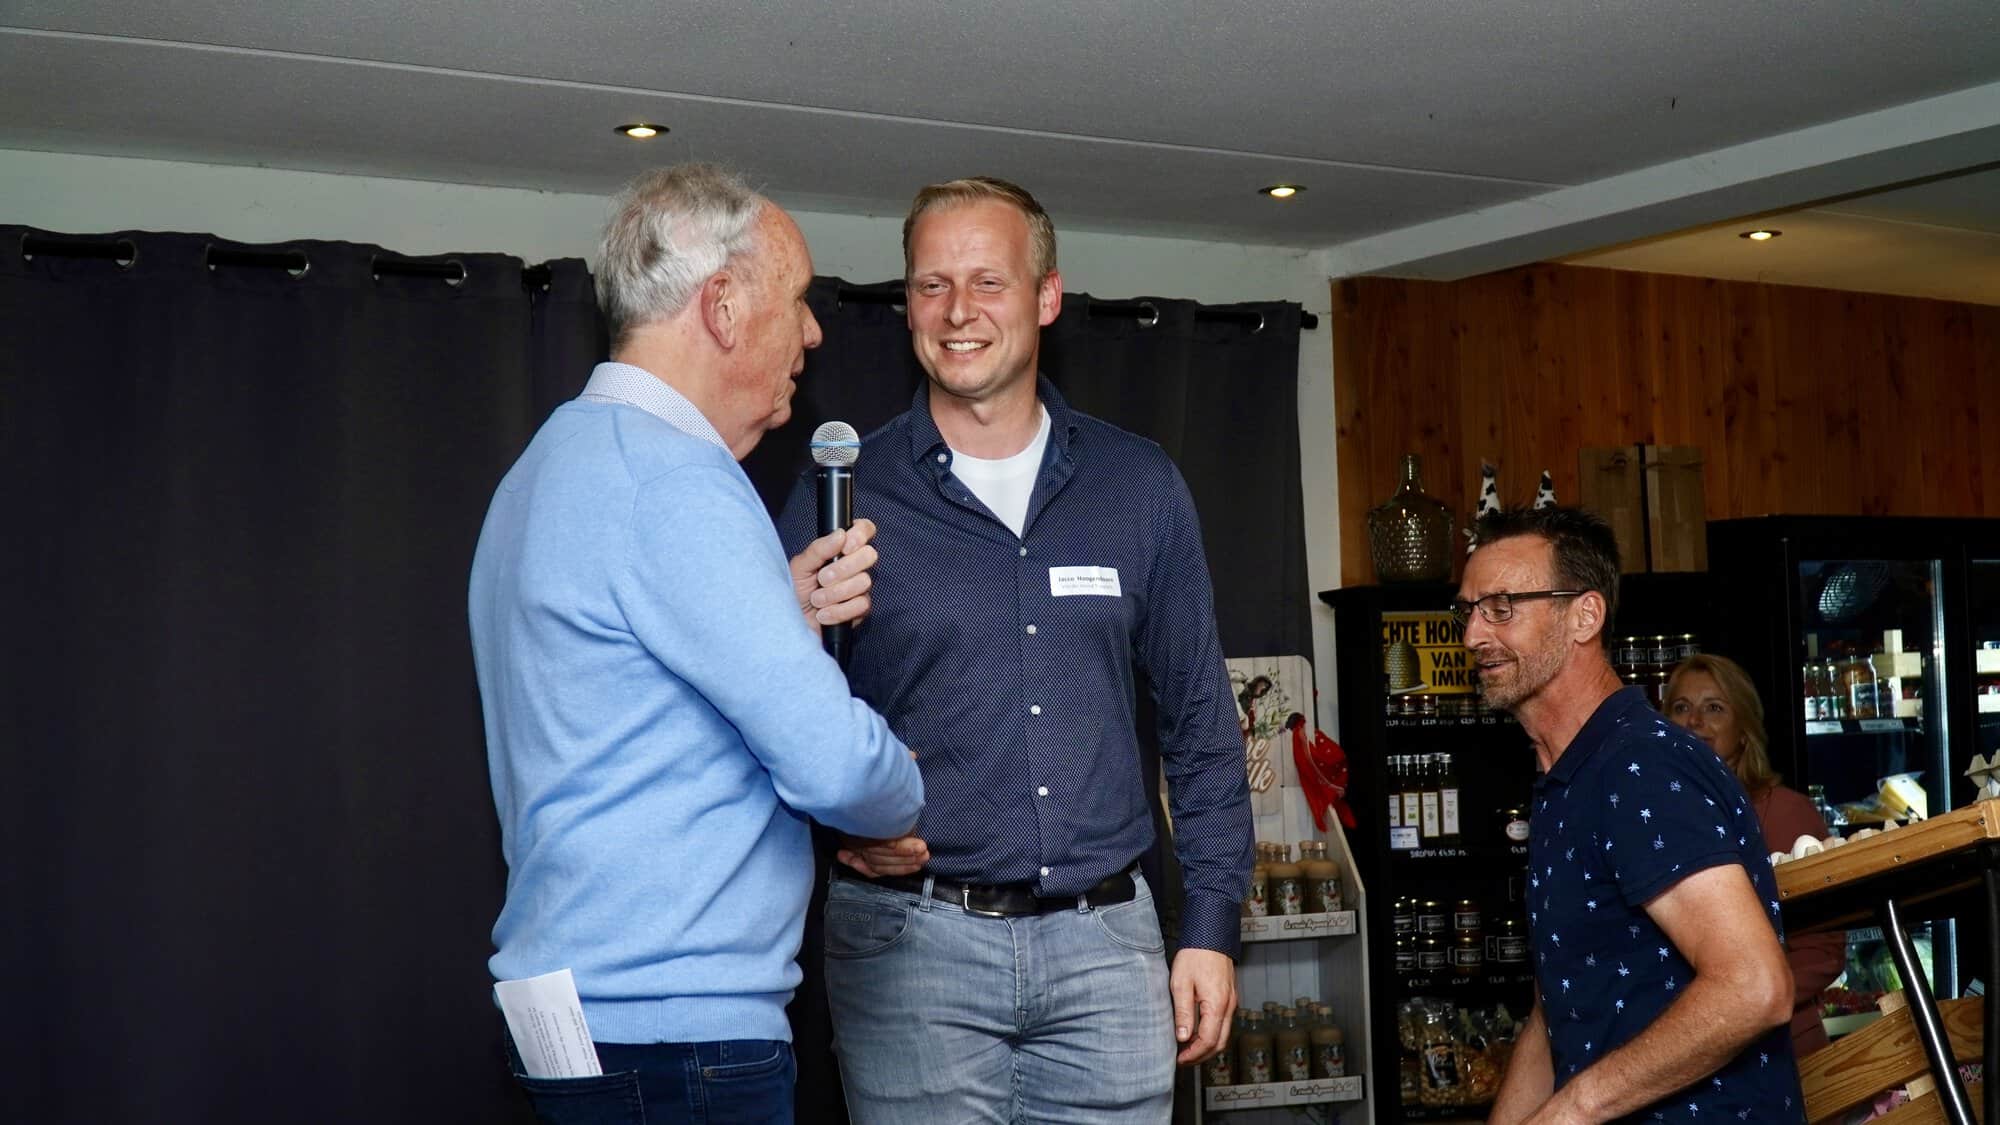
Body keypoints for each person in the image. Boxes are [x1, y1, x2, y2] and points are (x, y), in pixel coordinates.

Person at [777, 176, 1253, 1123]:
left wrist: (1209, 925)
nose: (958, 311)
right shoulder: (845, 491)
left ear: (1046, 297)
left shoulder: (1138, 485)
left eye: (988, 282)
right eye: (931, 285)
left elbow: (1203, 724)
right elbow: (773, 715)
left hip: (1108, 953)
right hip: (910, 950)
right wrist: (840, 827)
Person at [468, 163, 924, 1124]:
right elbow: (838, 765)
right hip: (677, 1041)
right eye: (797, 301)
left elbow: (619, 707)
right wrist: (904, 790)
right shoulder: (677, 481)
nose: (813, 333)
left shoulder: (545, 467)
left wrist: (776, 613)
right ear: (721, 308)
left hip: (578, 1023)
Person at [1460, 507, 1802, 1124]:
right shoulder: (1566, 777)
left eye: (1502, 608)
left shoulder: (1639, 765)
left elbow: (1755, 986)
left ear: (1584, 616)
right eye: (1469, 611)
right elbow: (1554, 1011)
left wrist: (1575, 1109)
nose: (1473, 635)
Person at [1665, 653, 1846, 1055]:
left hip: (1779, 1052)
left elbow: (1822, 952)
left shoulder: (1785, 812)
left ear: (1744, 729)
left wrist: (1731, 1010)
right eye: (1681, 707)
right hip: (1681, 1051)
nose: (1694, 721)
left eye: (1714, 708)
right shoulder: (1653, 820)